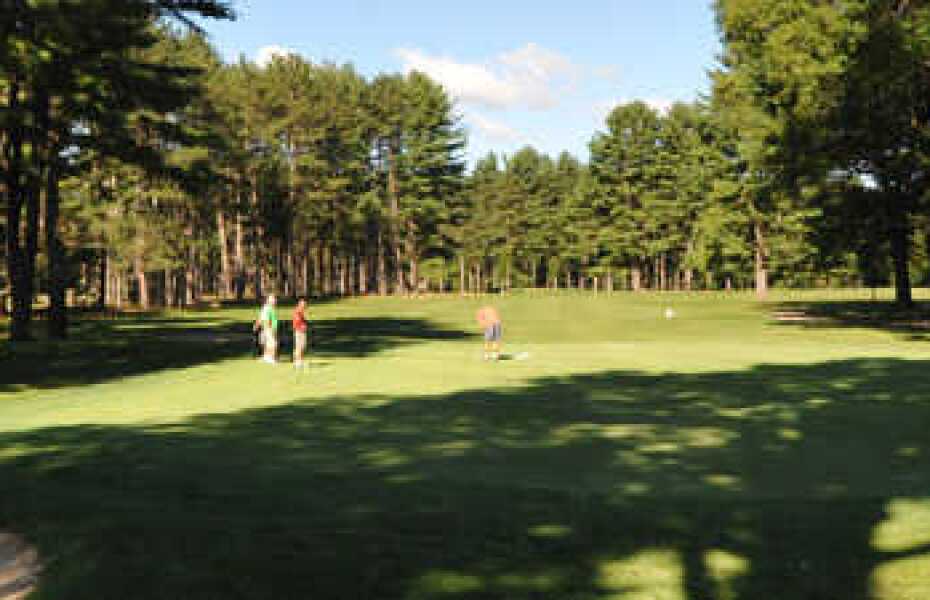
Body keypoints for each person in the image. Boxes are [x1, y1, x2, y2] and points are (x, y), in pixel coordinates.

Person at [254, 294, 278, 364]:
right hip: (268, 328)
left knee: (268, 343)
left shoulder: (270, 308)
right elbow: (265, 319)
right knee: (273, 343)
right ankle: (271, 358)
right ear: (268, 300)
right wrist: (270, 328)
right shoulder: (267, 308)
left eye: (274, 299)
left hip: (270, 328)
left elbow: (261, 317)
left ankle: (266, 357)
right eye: (272, 299)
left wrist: (257, 324)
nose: (274, 300)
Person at [292, 298, 309, 369]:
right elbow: (297, 322)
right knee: (299, 347)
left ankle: (300, 361)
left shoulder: (302, 312)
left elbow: (304, 321)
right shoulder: (297, 311)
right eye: (303, 305)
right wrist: (302, 326)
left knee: (302, 346)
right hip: (299, 331)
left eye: (305, 305)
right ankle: (297, 362)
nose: (304, 306)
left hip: (302, 331)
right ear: (299, 304)